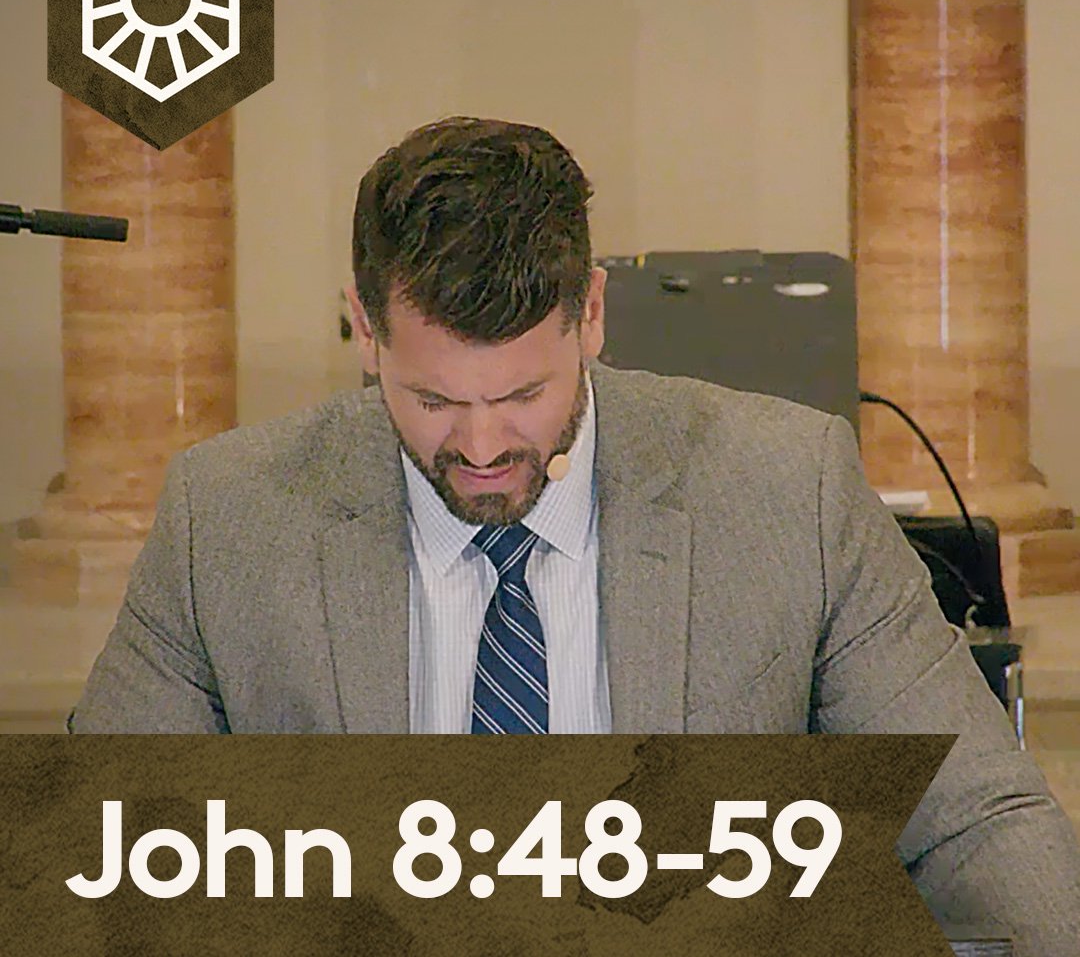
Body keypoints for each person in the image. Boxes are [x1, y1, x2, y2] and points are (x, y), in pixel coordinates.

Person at [70, 116, 1080, 951]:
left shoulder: (788, 490)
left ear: (591, 312)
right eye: (431, 400)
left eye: (521, 396)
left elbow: (975, 821)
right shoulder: (226, 516)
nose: (479, 447)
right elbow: (102, 849)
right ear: (365, 330)